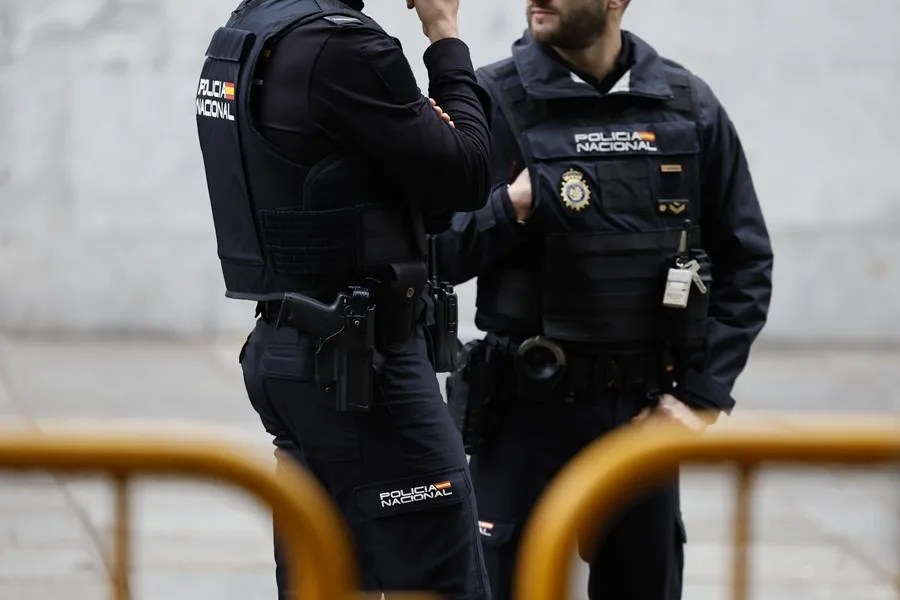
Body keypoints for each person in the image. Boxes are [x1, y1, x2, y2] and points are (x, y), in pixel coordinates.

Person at [436, 0, 774, 598]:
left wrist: (699, 396)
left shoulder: (686, 104)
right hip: (522, 412)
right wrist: (510, 207)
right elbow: (438, 253)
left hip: (640, 416)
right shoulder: (489, 101)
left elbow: (745, 262)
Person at [194, 0, 493, 598]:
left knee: (324, 582)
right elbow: (467, 172)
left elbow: (378, 186)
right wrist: (444, 32)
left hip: (292, 351)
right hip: (366, 367)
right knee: (442, 580)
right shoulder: (345, 48)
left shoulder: (247, 32)